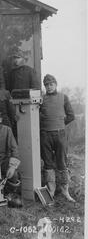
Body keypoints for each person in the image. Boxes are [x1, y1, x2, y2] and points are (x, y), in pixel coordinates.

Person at [40, 74, 75, 202]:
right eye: (46, 85)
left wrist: (60, 124)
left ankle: (65, 190)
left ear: (55, 84)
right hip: (45, 135)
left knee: (62, 162)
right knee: (48, 163)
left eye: (51, 84)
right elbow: (37, 116)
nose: (49, 87)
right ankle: (51, 190)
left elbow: (71, 115)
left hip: (60, 134)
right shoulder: (41, 99)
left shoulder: (63, 97)